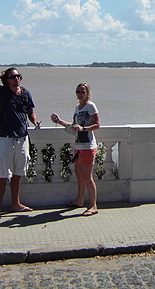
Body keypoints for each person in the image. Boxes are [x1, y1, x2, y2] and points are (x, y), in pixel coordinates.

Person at [0, 67, 40, 221]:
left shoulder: (25, 93)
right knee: (2, 175)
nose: (16, 79)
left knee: (18, 173)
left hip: (22, 138)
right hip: (5, 138)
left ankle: (16, 204)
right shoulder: (2, 92)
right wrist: (3, 74)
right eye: (12, 77)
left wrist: (34, 120)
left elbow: (30, 111)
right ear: (6, 80)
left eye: (18, 76)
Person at [51, 82, 100, 216]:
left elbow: (97, 125)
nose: (80, 94)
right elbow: (74, 127)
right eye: (78, 91)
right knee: (79, 176)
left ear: (87, 93)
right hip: (78, 146)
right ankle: (79, 200)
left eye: (82, 92)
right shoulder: (77, 108)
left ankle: (93, 205)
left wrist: (83, 128)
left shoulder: (91, 106)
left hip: (88, 146)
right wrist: (59, 121)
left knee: (87, 177)